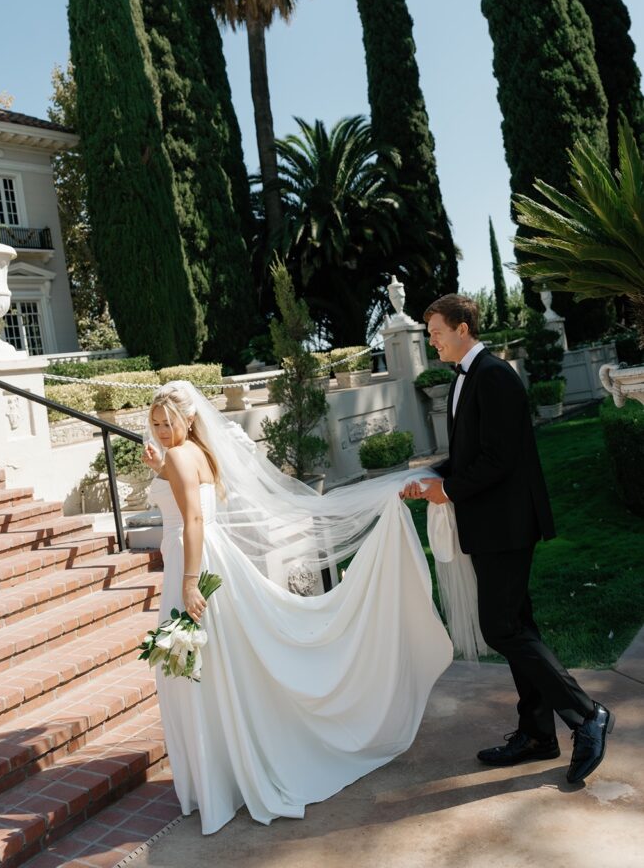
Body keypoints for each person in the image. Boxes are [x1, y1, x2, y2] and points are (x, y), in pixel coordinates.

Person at [142, 380, 453, 835]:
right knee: (212, 665)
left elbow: (190, 519)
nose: (161, 432)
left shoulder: (181, 455)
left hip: (195, 563)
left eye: (168, 424)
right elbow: (190, 499)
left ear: (189, 419)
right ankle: (223, 774)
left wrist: (190, 582)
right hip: (208, 555)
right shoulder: (197, 453)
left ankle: (219, 781)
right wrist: (162, 468)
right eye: (154, 425)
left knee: (200, 668)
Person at [400, 294, 614, 784]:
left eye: (435, 332)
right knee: (518, 625)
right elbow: (472, 453)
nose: (431, 341)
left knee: (502, 628)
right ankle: (538, 735)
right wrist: (428, 477)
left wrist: (447, 489)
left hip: (508, 524)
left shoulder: (494, 376)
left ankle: (586, 716)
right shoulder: (465, 379)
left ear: (461, 328)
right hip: (490, 523)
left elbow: (500, 459)